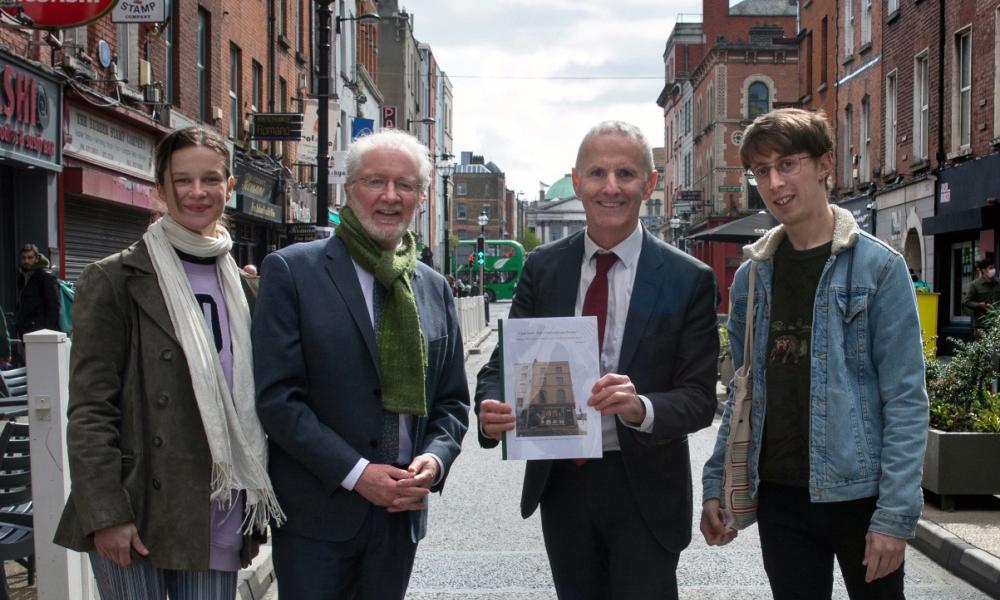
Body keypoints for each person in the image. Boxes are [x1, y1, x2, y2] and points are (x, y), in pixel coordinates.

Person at [476, 121, 719, 599]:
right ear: (578, 180)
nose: (611, 187)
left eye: (626, 173)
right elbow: (499, 368)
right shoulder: (542, 268)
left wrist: (641, 408)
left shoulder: (689, 278)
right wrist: (491, 411)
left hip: (645, 485)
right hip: (565, 482)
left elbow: (698, 400)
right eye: (597, 174)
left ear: (649, 185)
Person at [701, 108, 928, 600]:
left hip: (860, 496)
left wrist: (895, 516)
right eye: (761, 171)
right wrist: (717, 483)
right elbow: (743, 392)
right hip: (782, 498)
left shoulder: (879, 269)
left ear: (825, 165)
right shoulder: (751, 278)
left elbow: (906, 401)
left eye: (787, 164)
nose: (775, 182)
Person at [54, 126, 282, 599]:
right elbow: (91, 410)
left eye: (211, 179)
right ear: (159, 188)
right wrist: (106, 513)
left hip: (217, 506)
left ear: (230, 188)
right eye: (182, 180)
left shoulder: (247, 289)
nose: (197, 192)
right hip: (136, 506)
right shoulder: (114, 279)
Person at [253, 129, 470, 599]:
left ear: (421, 196)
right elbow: (278, 400)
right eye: (375, 181)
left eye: (405, 185)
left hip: (400, 515)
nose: (390, 197)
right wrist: (358, 473)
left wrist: (433, 460)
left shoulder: (434, 288)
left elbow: (451, 403)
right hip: (319, 514)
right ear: (348, 190)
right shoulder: (292, 271)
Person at [14, 243, 60, 337]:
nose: (26, 261)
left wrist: (47, 330)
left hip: (41, 331)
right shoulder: (21, 277)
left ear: (36, 258)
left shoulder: (46, 276)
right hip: (25, 330)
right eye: (23, 258)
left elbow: (53, 306)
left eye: (30, 257)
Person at [964, 257, 1000, 335]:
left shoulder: (998, 283)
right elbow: (966, 302)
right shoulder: (975, 285)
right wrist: (979, 305)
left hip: (997, 325)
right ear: (983, 270)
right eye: (990, 268)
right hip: (981, 326)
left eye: (993, 267)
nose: (993, 270)